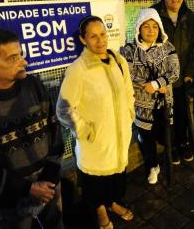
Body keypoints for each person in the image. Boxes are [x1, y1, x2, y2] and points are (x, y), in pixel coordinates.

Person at [0, 29, 64, 229]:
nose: (24, 62)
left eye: (21, 54)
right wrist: (27, 188)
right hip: (8, 198)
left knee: (55, 224)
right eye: (13, 58)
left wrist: (49, 177)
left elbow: (55, 130)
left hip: (49, 184)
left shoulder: (33, 84)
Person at [56, 16, 135, 229]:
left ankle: (112, 203)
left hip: (119, 138)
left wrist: (129, 114)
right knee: (95, 185)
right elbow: (63, 109)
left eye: (102, 34)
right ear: (83, 40)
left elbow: (129, 92)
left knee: (117, 178)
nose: (100, 40)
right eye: (93, 36)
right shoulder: (78, 69)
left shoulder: (119, 60)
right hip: (95, 143)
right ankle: (100, 211)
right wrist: (86, 131)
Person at [120, 8, 179, 184]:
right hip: (141, 104)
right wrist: (154, 85)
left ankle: (167, 156)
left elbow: (174, 71)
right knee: (147, 138)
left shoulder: (168, 48)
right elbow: (127, 74)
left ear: (160, 28)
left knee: (165, 133)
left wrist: (158, 83)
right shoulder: (129, 50)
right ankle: (153, 166)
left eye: (155, 26)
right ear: (139, 28)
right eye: (146, 26)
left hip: (164, 102)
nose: (151, 30)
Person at [151, 0, 194, 164]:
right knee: (164, 115)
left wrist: (188, 75)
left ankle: (182, 142)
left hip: (182, 76)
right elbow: (148, 47)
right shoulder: (154, 14)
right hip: (163, 77)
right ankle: (169, 145)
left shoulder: (189, 15)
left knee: (181, 111)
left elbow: (193, 47)